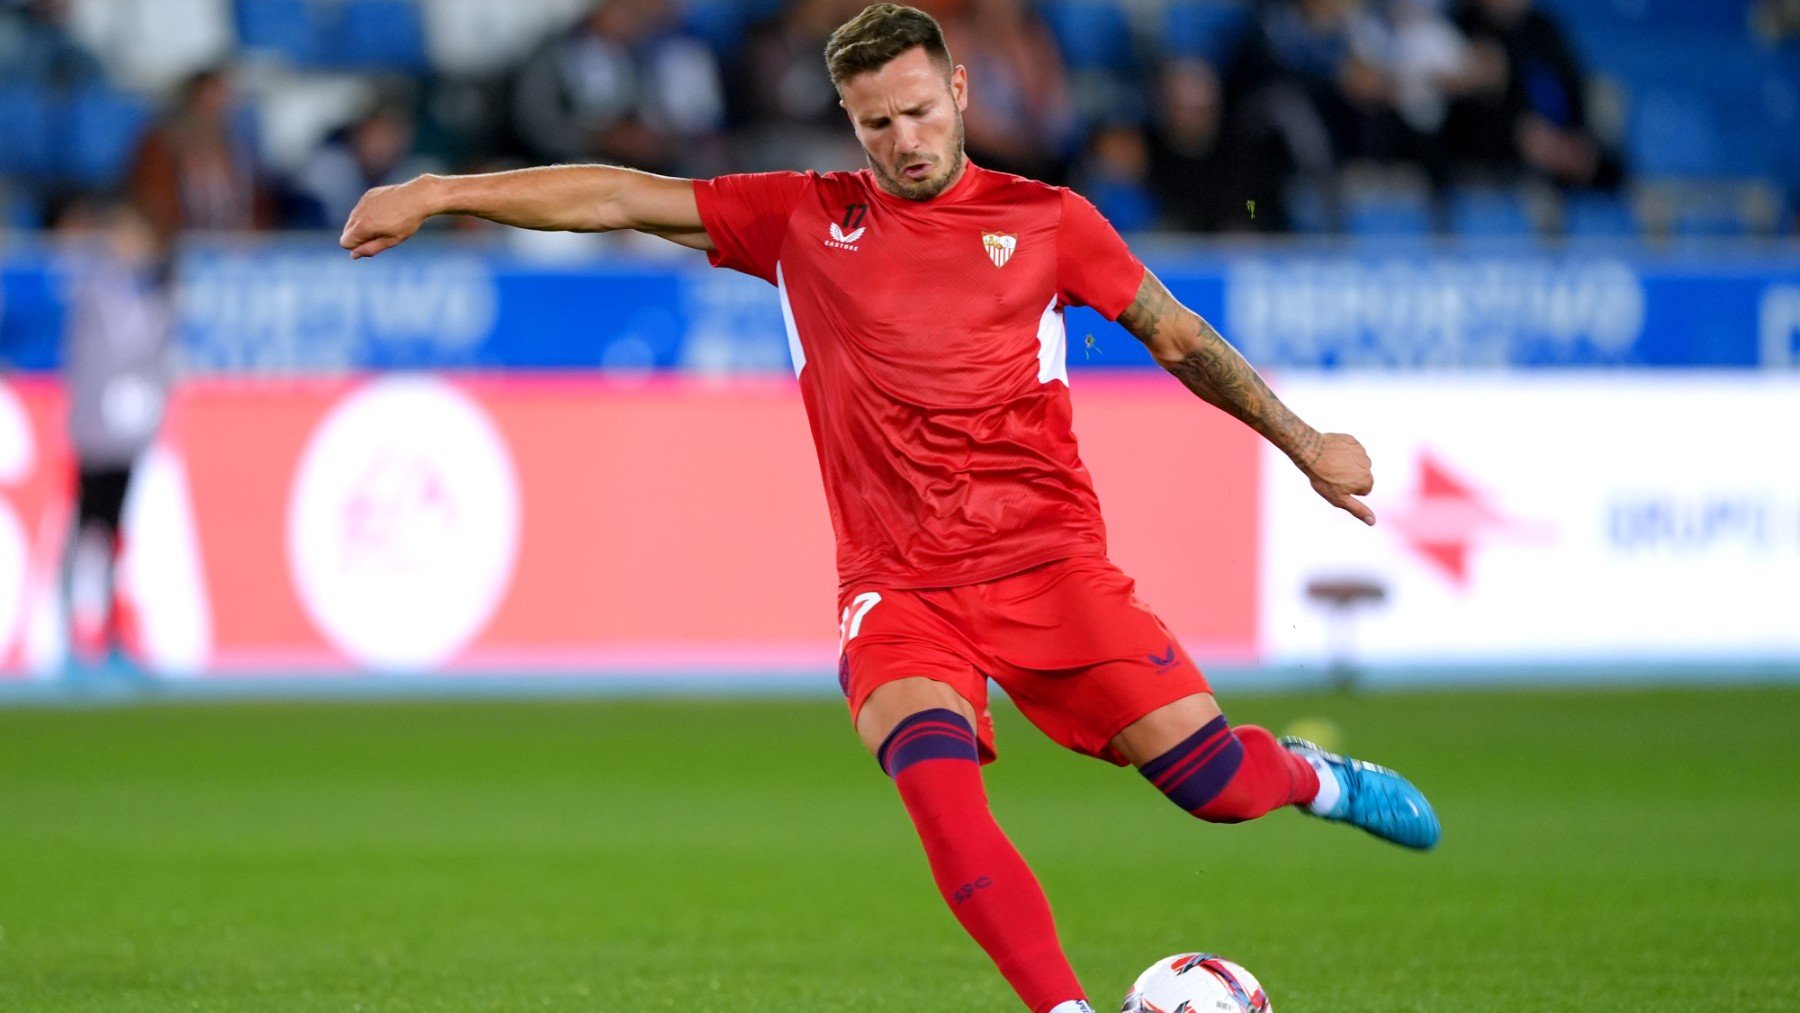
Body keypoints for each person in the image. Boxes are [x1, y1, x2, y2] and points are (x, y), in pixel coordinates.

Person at [339, 6, 1441, 1010]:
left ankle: (1312, 775)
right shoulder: (800, 221)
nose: (903, 140)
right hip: (898, 587)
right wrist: (440, 194)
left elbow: (1178, 336)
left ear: (960, 91)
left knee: (1216, 786)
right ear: (849, 123)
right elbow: (622, 195)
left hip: (1050, 564)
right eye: (875, 124)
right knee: (942, 798)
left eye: (917, 111)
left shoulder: (1049, 220)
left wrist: (1304, 445)